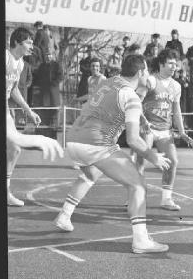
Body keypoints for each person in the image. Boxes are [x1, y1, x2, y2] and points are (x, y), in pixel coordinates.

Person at [53, 54, 171, 253]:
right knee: (138, 185)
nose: (149, 75)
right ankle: (141, 240)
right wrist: (153, 157)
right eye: (147, 71)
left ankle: (64, 215)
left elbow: (109, 103)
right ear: (141, 72)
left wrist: (140, 116)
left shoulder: (108, 81)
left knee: (90, 174)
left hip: (73, 140)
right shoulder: (131, 97)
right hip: (96, 144)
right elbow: (133, 140)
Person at [133, 49, 193, 211]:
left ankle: (166, 199)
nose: (174, 67)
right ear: (161, 64)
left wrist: (181, 132)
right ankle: (134, 196)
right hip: (148, 128)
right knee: (140, 161)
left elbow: (177, 110)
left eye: (176, 64)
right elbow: (136, 102)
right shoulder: (151, 81)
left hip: (165, 131)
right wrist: (142, 120)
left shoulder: (176, 86)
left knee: (173, 161)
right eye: (170, 63)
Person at [6, 27, 57, 205]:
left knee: (14, 149)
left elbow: (13, 90)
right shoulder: (4, 58)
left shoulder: (19, 64)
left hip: (2, 110)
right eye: (28, 42)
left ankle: (4, 191)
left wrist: (28, 111)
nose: (32, 46)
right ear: (16, 43)